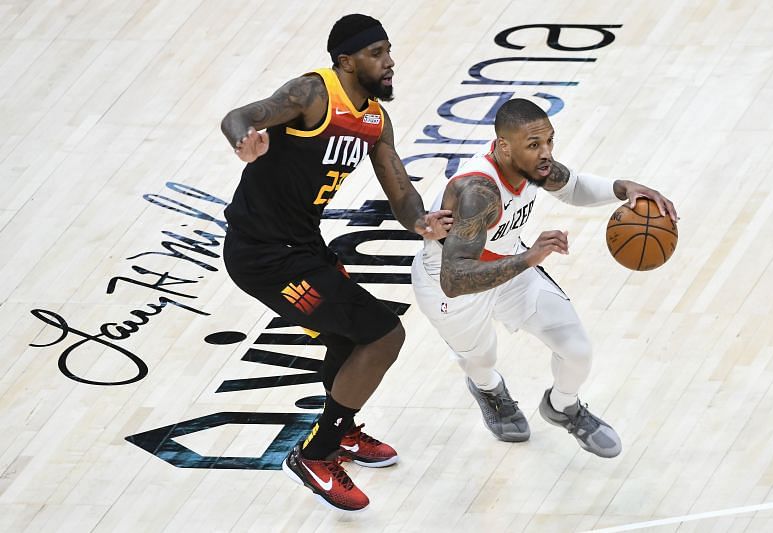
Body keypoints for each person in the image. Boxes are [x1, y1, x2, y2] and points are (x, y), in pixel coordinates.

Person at [220, 14, 452, 512]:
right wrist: (244, 141)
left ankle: (341, 433)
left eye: (389, 51)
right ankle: (316, 455)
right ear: (346, 61)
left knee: (350, 337)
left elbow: (400, 189)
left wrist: (421, 222)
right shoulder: (312, 94)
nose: (389, 63)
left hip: (301, 247)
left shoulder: (374, 120)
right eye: (376, 53)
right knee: (383, 333)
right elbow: (239, 116)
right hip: (263, 256)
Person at [411, 98, 677, 457]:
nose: (546, 152)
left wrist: (625, 188)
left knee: (577, 350)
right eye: (535, 145)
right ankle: (489, 390)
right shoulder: (478, 192)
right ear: (503, 147)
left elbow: (574, 186)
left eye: (550, 141)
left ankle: (563, 406)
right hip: (451, 286)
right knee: (481, 361)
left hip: (509, 263)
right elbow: (455, 279)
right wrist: (529, 257)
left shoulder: (531, 164)